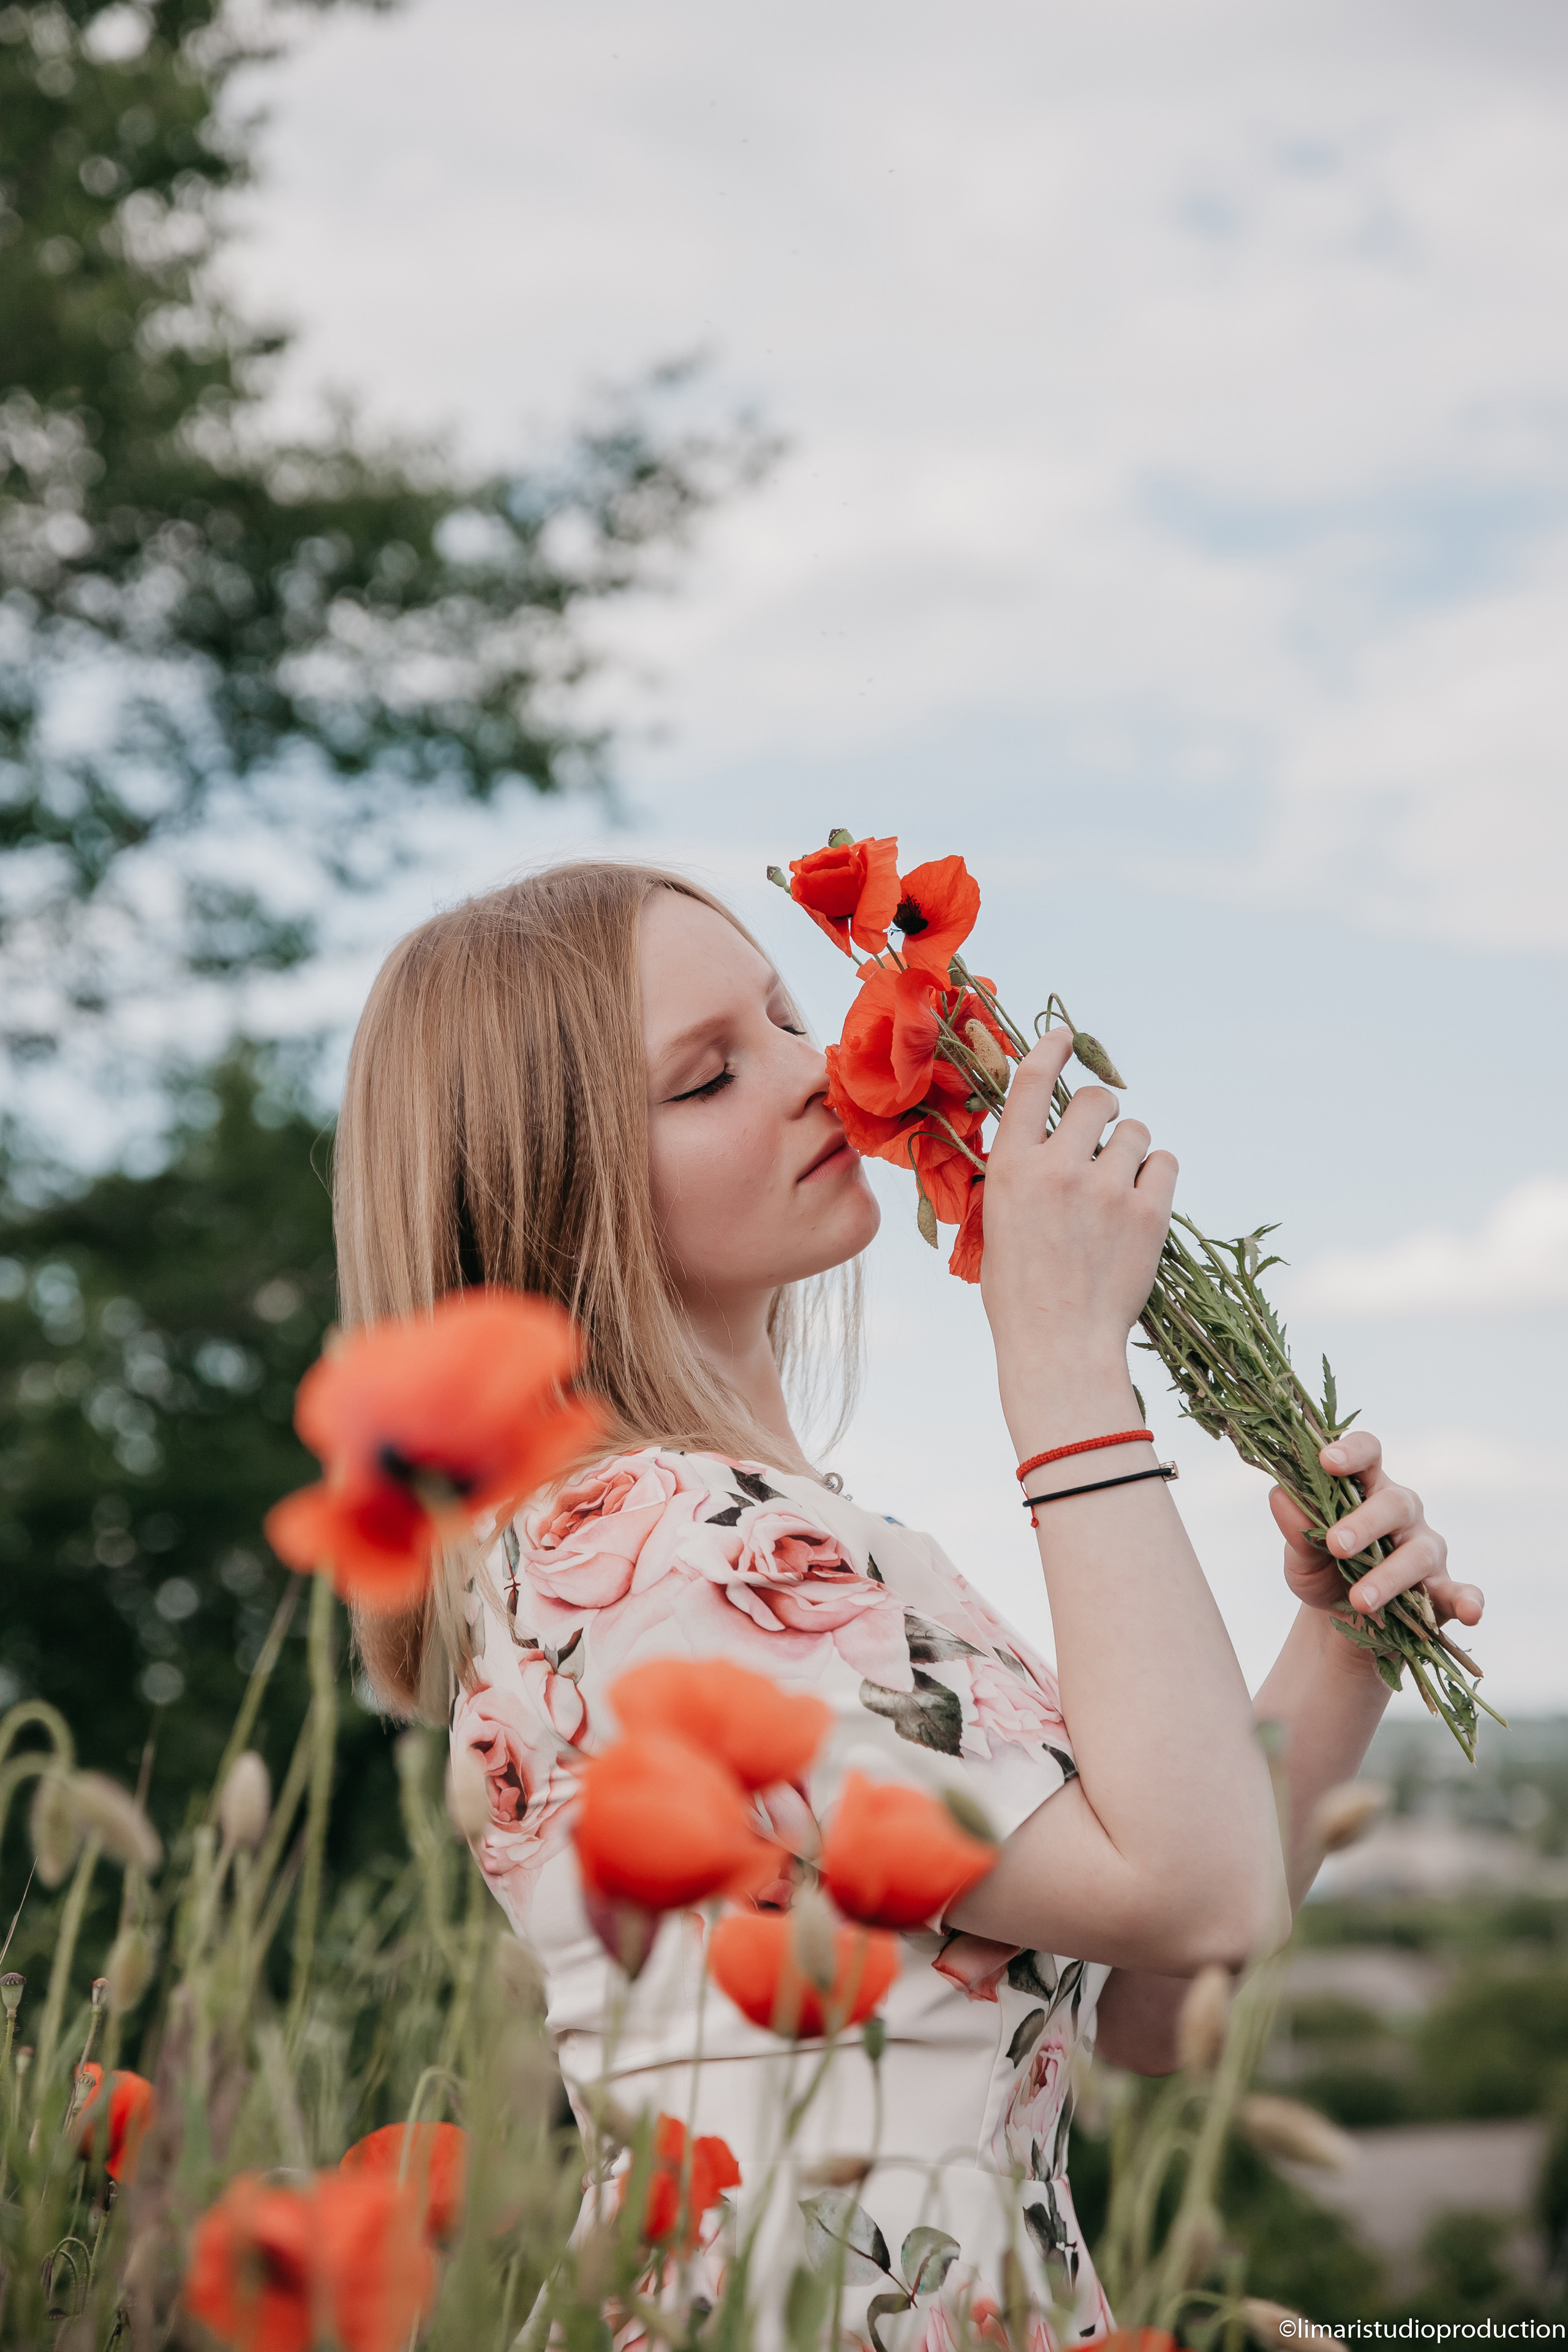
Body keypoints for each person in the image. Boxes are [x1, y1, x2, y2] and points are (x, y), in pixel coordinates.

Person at [332, 861, 1480, 2347]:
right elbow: (1192, 1891)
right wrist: (1062, 1367)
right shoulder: (667, 1547)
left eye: (785, 1017)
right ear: (554, 1197)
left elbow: (1141, 1993)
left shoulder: (726, 1540)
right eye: (706, 1079)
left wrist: (1336, 1644)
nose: (819, 1074)